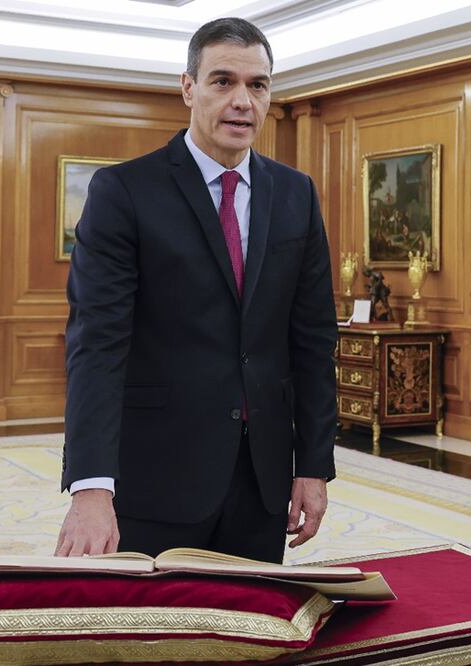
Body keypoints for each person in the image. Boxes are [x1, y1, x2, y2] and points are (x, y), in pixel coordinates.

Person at [56, 18, 337, 564]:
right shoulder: (124, 192)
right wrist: (91, 485)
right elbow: (97, 345)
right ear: (188, 87)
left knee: (249, 638)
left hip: (262, 481)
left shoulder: (296, 194)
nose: (242, 101)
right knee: (152, 640)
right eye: (222, 81)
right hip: (156, 475)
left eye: (257, 85)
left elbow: (313, 340)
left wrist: (312, 466)